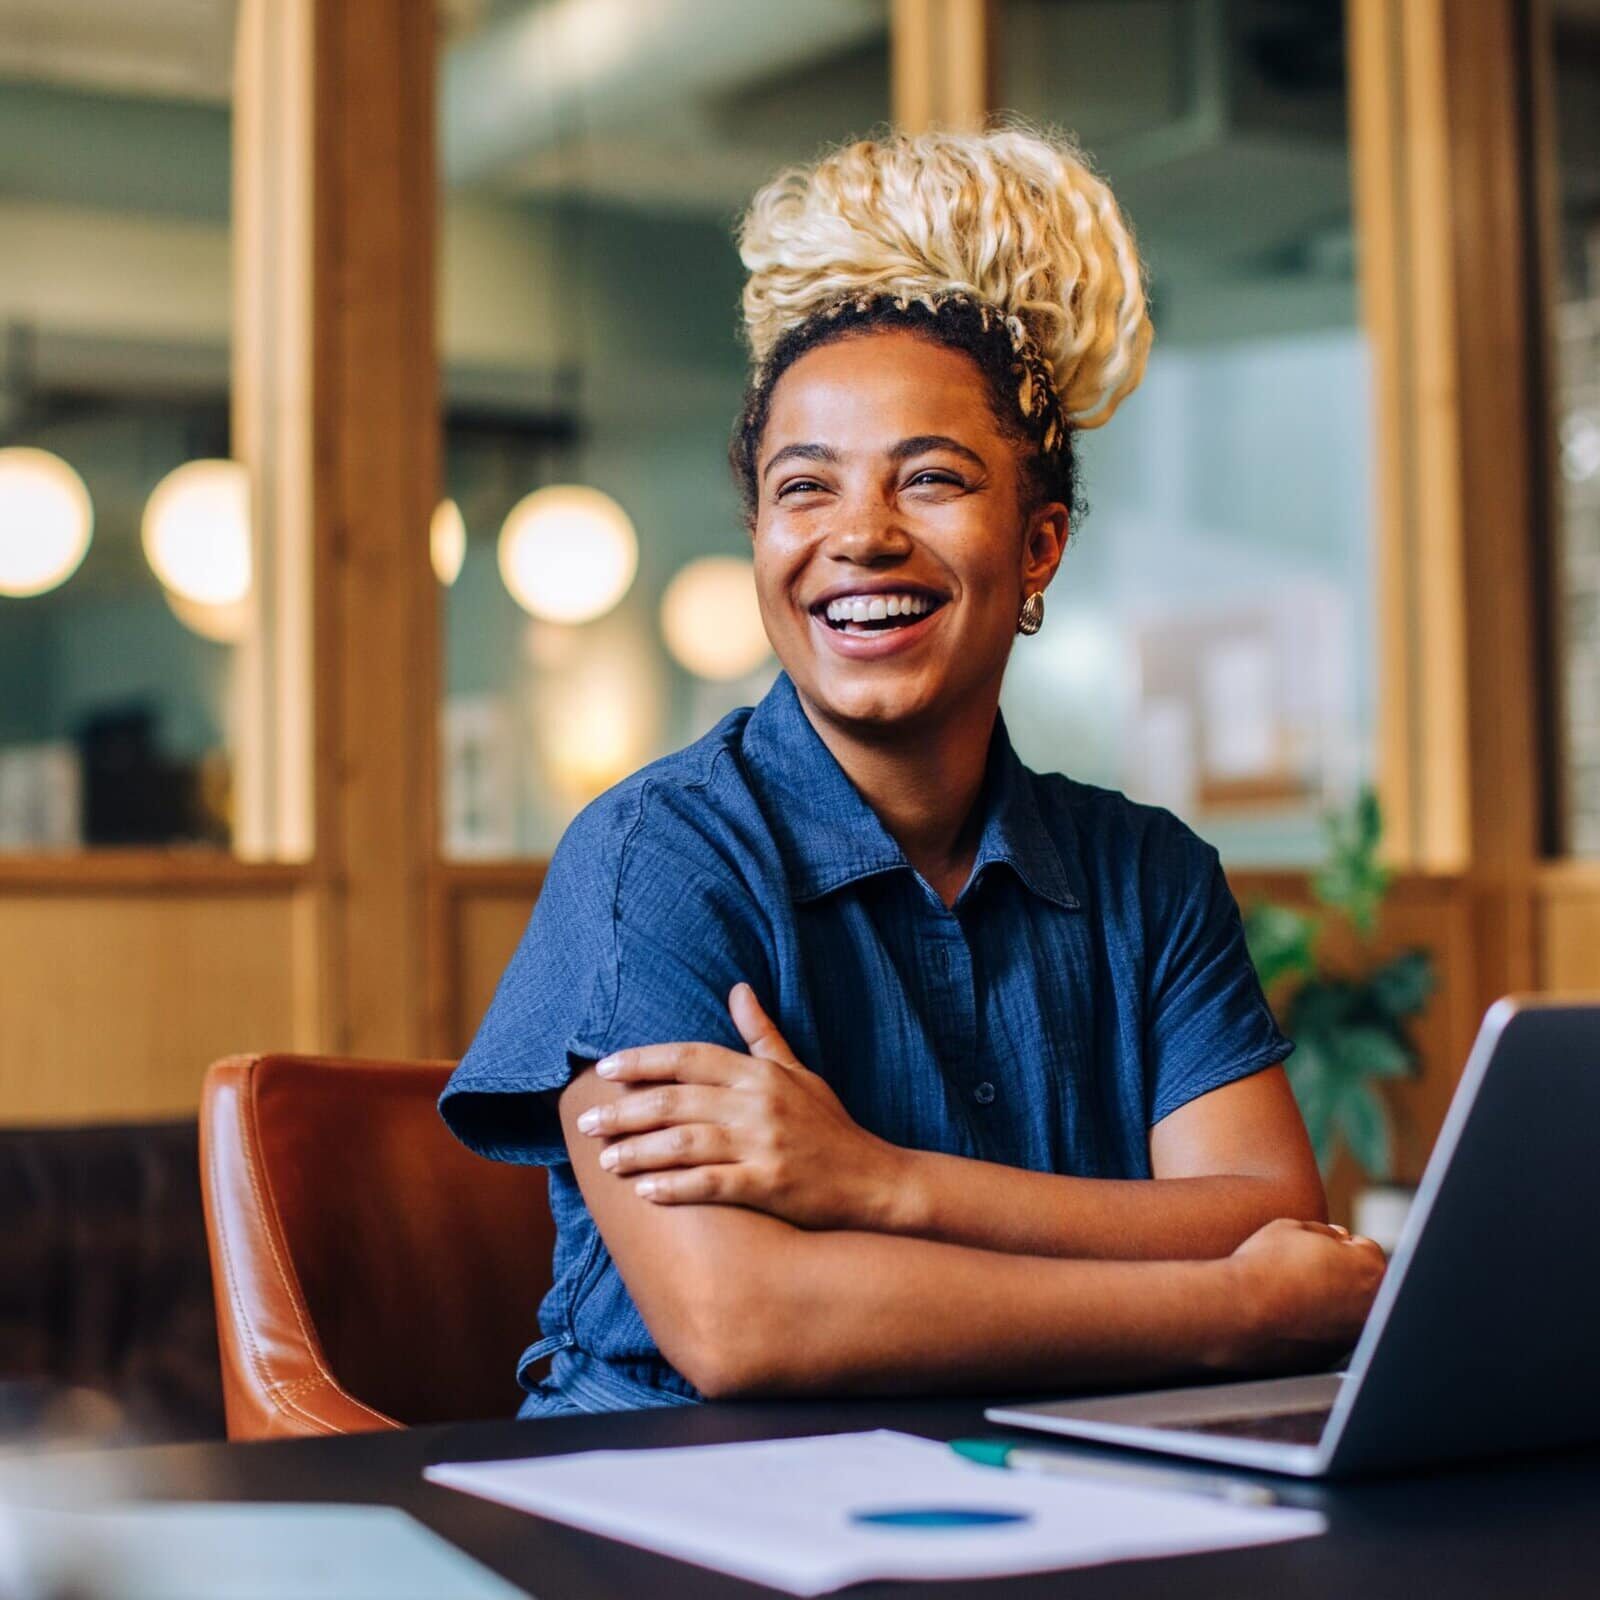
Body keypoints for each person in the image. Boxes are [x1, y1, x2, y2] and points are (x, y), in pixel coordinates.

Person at [440, 125, 1385, 1419]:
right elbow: (742, 1323)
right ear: (760, 537)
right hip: (672, 1518)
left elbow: (1268, 1211)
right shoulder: (653, 857)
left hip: (1050, 1498)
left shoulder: (1151, 876)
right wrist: (1233, 1310)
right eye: (803, 489)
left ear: (1039, 542)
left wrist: (878, 1181)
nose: (860, 537)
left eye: (931, 480)